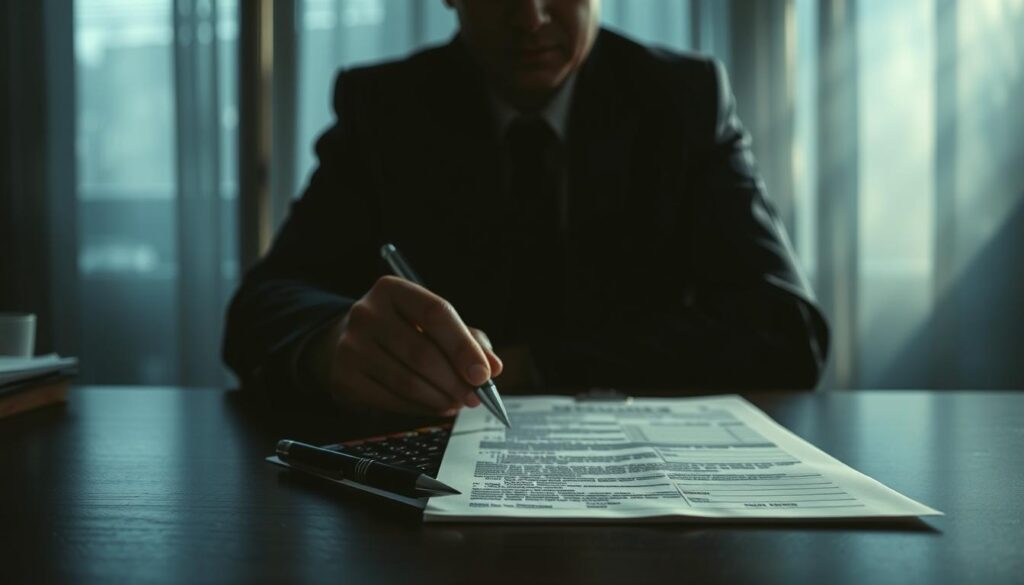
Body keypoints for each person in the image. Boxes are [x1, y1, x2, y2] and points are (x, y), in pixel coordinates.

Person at [223, 0, 829, 418]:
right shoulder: (385, 109)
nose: (531, 17)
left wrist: (533, 364)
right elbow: (262, 305)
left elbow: (785, 330)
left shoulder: (683, 101)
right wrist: (333, 346)